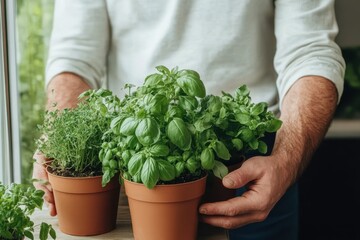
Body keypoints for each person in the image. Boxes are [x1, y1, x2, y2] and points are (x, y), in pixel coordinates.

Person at [33, 1, 345, 239]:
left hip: (255, 163)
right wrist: (61, 141)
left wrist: (286, 158)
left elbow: (311, 51)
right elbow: (74, 57)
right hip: (133, 159)